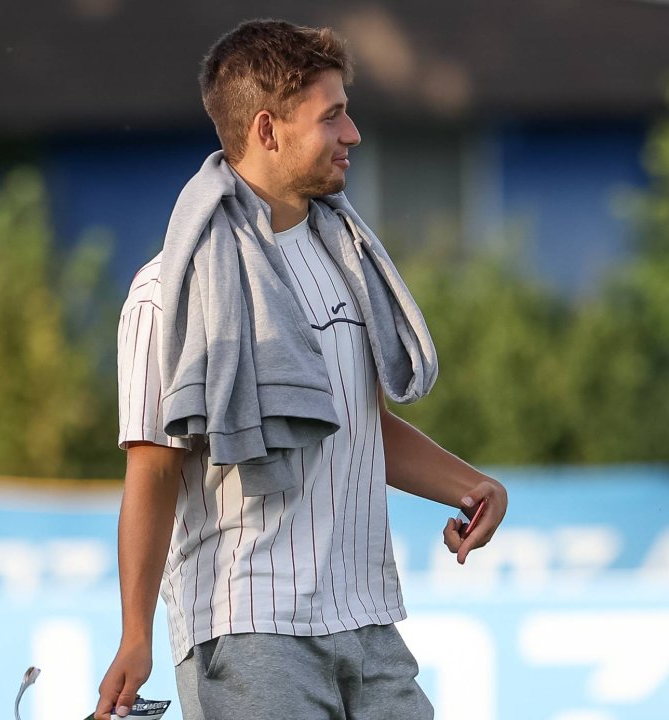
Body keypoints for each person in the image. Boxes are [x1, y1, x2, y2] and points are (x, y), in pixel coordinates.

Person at [94, 19, 507, 720]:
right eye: (333, 116)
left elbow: (361, 427)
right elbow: (153, 468)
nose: (352, 135)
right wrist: (135, 633)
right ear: (267, 129)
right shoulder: (167, 290)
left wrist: (471, 485)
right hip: (249, 625)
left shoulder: (348, 263)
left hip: (367, 620)